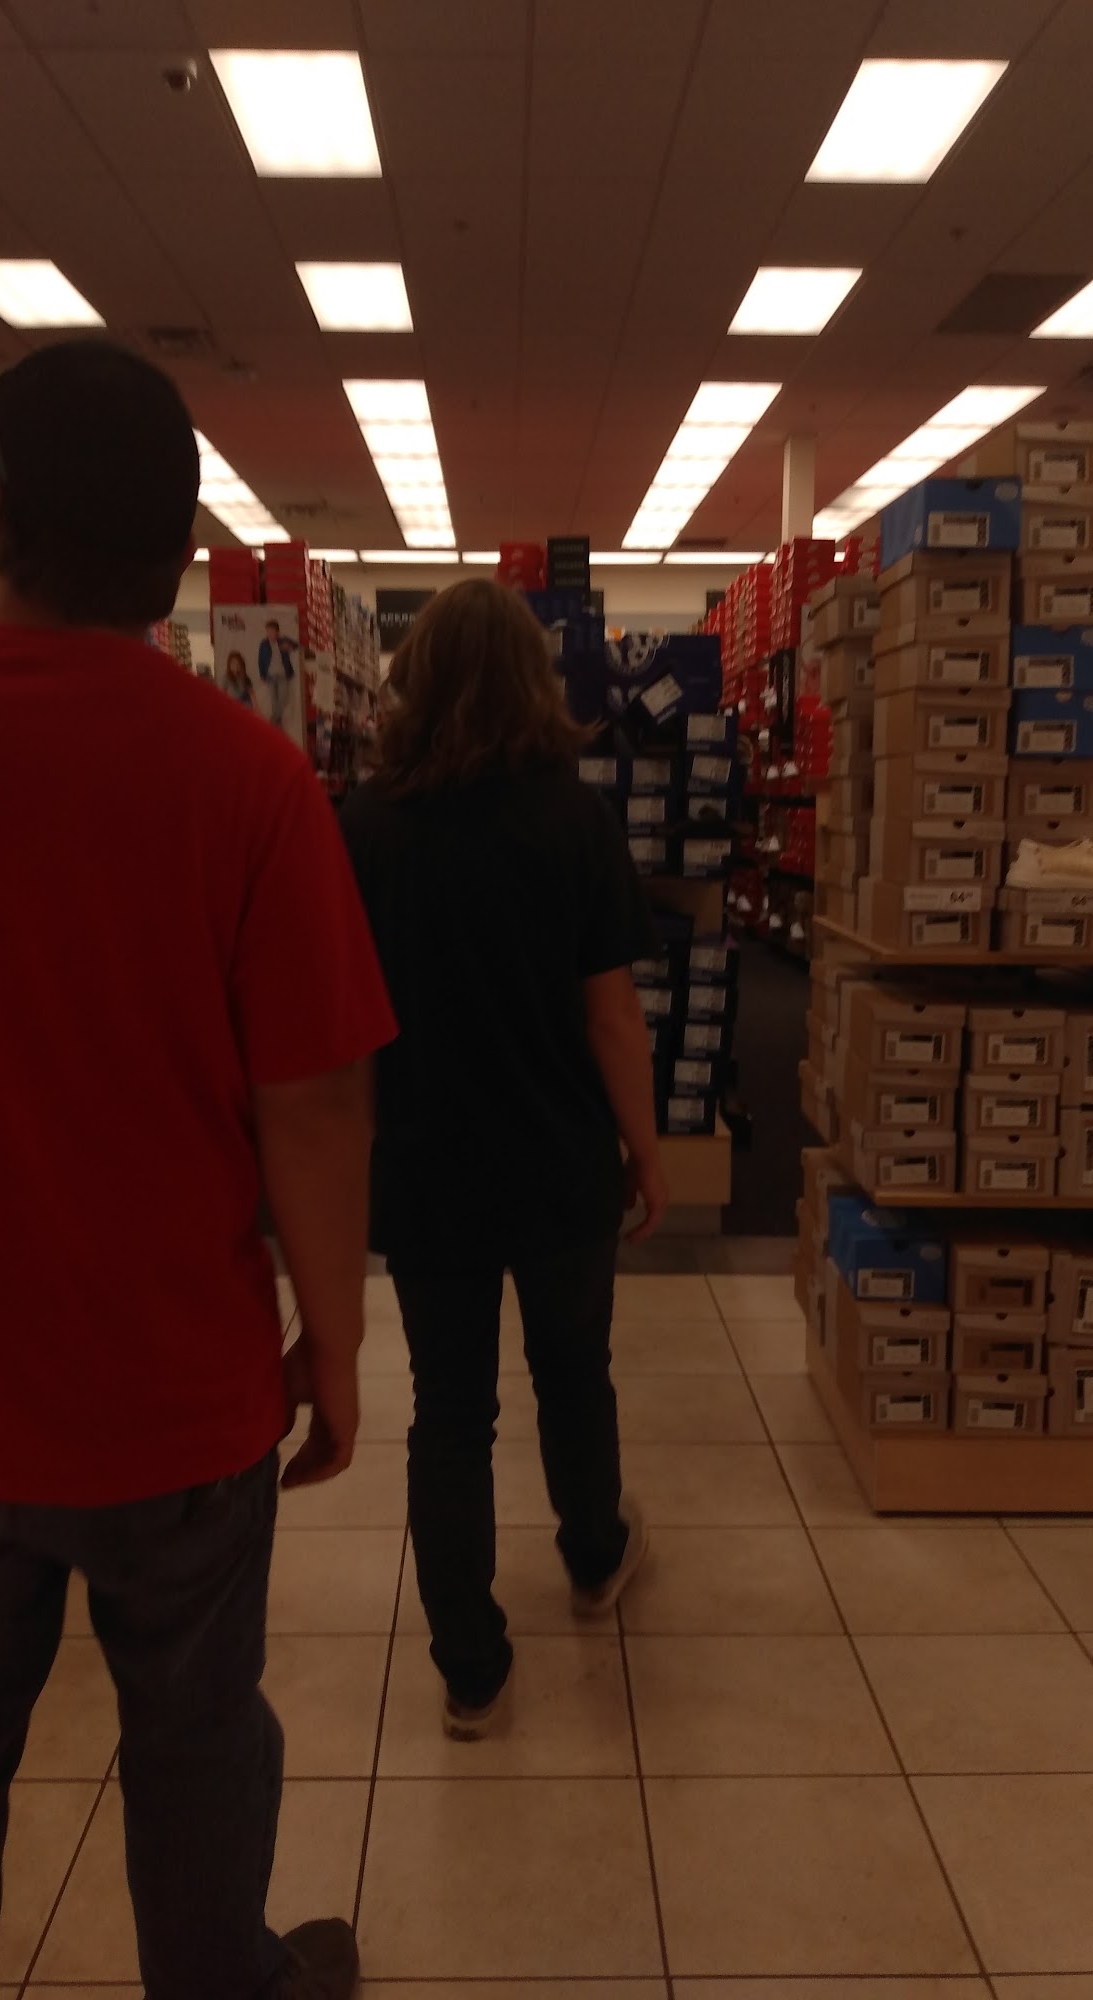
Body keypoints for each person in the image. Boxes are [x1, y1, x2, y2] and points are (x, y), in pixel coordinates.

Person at [0, 340, 396, 2000]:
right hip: (171, 1392)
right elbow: (315, 1105)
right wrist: (333, 1346)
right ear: (183, 553)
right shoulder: (248, 779)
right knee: (195, 1738)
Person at [338, 579, 668, 1740]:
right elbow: (611, 1017)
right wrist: (646, 1149)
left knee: (449, 1412)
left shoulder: (364, 827)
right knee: (575, 1373)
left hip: (425, 1168)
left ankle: (471, 1669)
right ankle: (595, 1555)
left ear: (411, 681)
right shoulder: (574, 820)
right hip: (558, 1159)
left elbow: (342, 1027)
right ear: (536, 680)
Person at [258, 619, 299, 730]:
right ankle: (277, 723)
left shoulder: (283, 641)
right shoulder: (264, 644)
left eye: (272, 631)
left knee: (283, 699)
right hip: (270, 676)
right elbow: (260, 660)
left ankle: (273, 721)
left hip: (283, 675)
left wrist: (289, 647)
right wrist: (262, 674)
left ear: (277, 632)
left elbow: (297, 645)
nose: (270, 634)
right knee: (274, 701)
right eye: (268, 631)